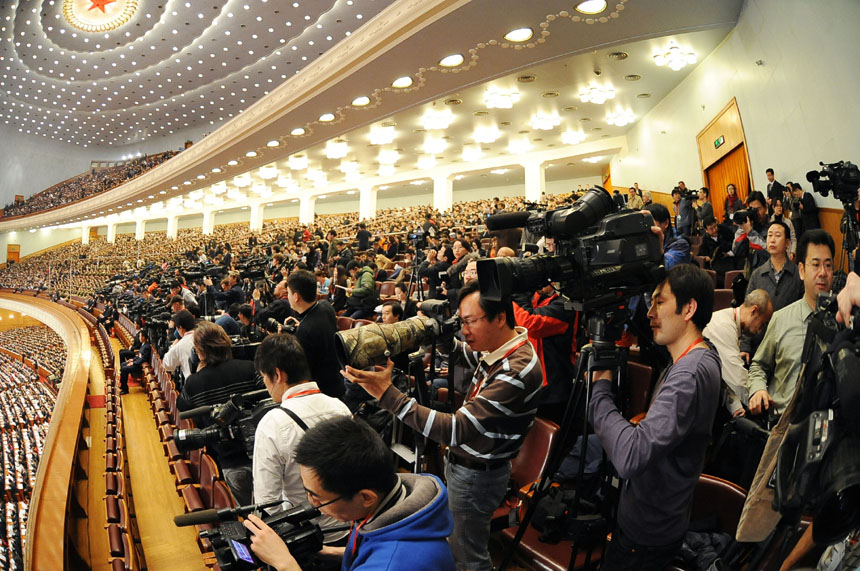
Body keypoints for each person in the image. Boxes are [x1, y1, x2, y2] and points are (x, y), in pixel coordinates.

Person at [342, 279, 543, 571]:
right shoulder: (504, 347)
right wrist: (444, 336)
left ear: (500, 318)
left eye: (470, 321)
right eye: (461, 321)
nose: (465, 329)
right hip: (472, 468)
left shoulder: (515, 370)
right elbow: (465, 353)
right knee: (463, 545)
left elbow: (456, 429)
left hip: (478, 476)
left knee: (469, 558)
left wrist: (389, 396)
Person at [591, 264, 721, 570]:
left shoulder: (689, 373)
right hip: (659, 519)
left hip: (647, 534)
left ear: (689, 308)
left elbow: (630, 456)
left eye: (659, 302)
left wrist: (599, 389)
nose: (650, 313)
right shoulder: (695, 358)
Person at [242, 416, 456, 571]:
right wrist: (327, 552)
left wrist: (284, 564)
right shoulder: (393, 506)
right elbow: (373, 547)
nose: (311, 503)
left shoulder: (394, 563)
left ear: (365, 497)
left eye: (317, 497)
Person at [251, 334, 351, 546]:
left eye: (265, 378)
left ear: (277, 374)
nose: (267, 387)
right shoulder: (340, 408)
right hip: (346, 528)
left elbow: (268, 504)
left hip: (306, 539)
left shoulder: (272, 424)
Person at [747, 229, 834, 416]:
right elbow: (759, 365)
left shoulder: (842, 321)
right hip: (783, 423)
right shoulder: (781, 319)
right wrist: (758, 389)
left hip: (828, 428)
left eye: (828, 266)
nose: (822, 273)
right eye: (816, 265)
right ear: (801, 270)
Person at [176, 321, 265, 505]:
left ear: (199, 351)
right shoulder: (249, 368)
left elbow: (182, 407)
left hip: (230, 460)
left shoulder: (194, 384)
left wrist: (196, 372)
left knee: (249, 512)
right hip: (263, 451)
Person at [739, 220, 803, 364]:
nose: (772, 239)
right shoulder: (757, 275)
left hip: (788, 348)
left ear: (787, 243)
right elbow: (747, 312)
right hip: (759, 346)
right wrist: (745, 346)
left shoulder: (797, 275)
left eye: (777, 235)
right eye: (769, 235)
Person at [512, 284, 576, 424]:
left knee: (552, 438)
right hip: (529, 381)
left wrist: (517, 294)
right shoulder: (535, 297)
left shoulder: (568, 302)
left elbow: (530, 323)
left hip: (554, 389)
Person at [703, 289, 773, 416]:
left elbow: (725, 377)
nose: (759, 331)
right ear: (754, 311)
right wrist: (760, 395)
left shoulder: (728, 322)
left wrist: (736, 407)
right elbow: (737, 381)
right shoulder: (724, 327)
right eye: (762, 324)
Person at [283, 269, 344, 399]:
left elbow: (303, 373)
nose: (287, 296)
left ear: (296, 296)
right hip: (338, 379)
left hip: (323, 392)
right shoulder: (326, 306)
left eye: (288, 293)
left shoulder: (305, 331)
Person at [162, 309, 197, 381]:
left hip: (193, 385)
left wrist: (173, 346)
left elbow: (167, 364)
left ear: (180, 328)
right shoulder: (204, 335)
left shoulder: (180, 345)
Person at [118, 330, 152, 395]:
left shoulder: (147, 347)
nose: (139, 337)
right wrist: (132, 360)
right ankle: (123, 385)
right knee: (123, 364)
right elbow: (139, 356)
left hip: (139, 366)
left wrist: (133, 363)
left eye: (140, 336)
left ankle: (125, 389)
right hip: (137, 363)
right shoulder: (143, 345)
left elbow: (143, 359)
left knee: (125, 369)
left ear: (143, 337)